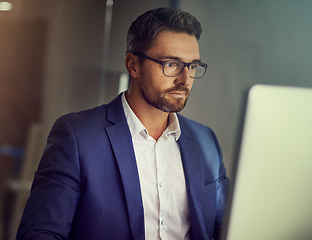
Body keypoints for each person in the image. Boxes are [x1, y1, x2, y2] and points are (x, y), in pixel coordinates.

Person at [16, 7, 229, 240]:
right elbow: (40, 233)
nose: (185, 79)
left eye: (193, 66)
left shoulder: (205, 141)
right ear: (133, 65)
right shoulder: (78, 137)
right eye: (171, 64)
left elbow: (226, 227)